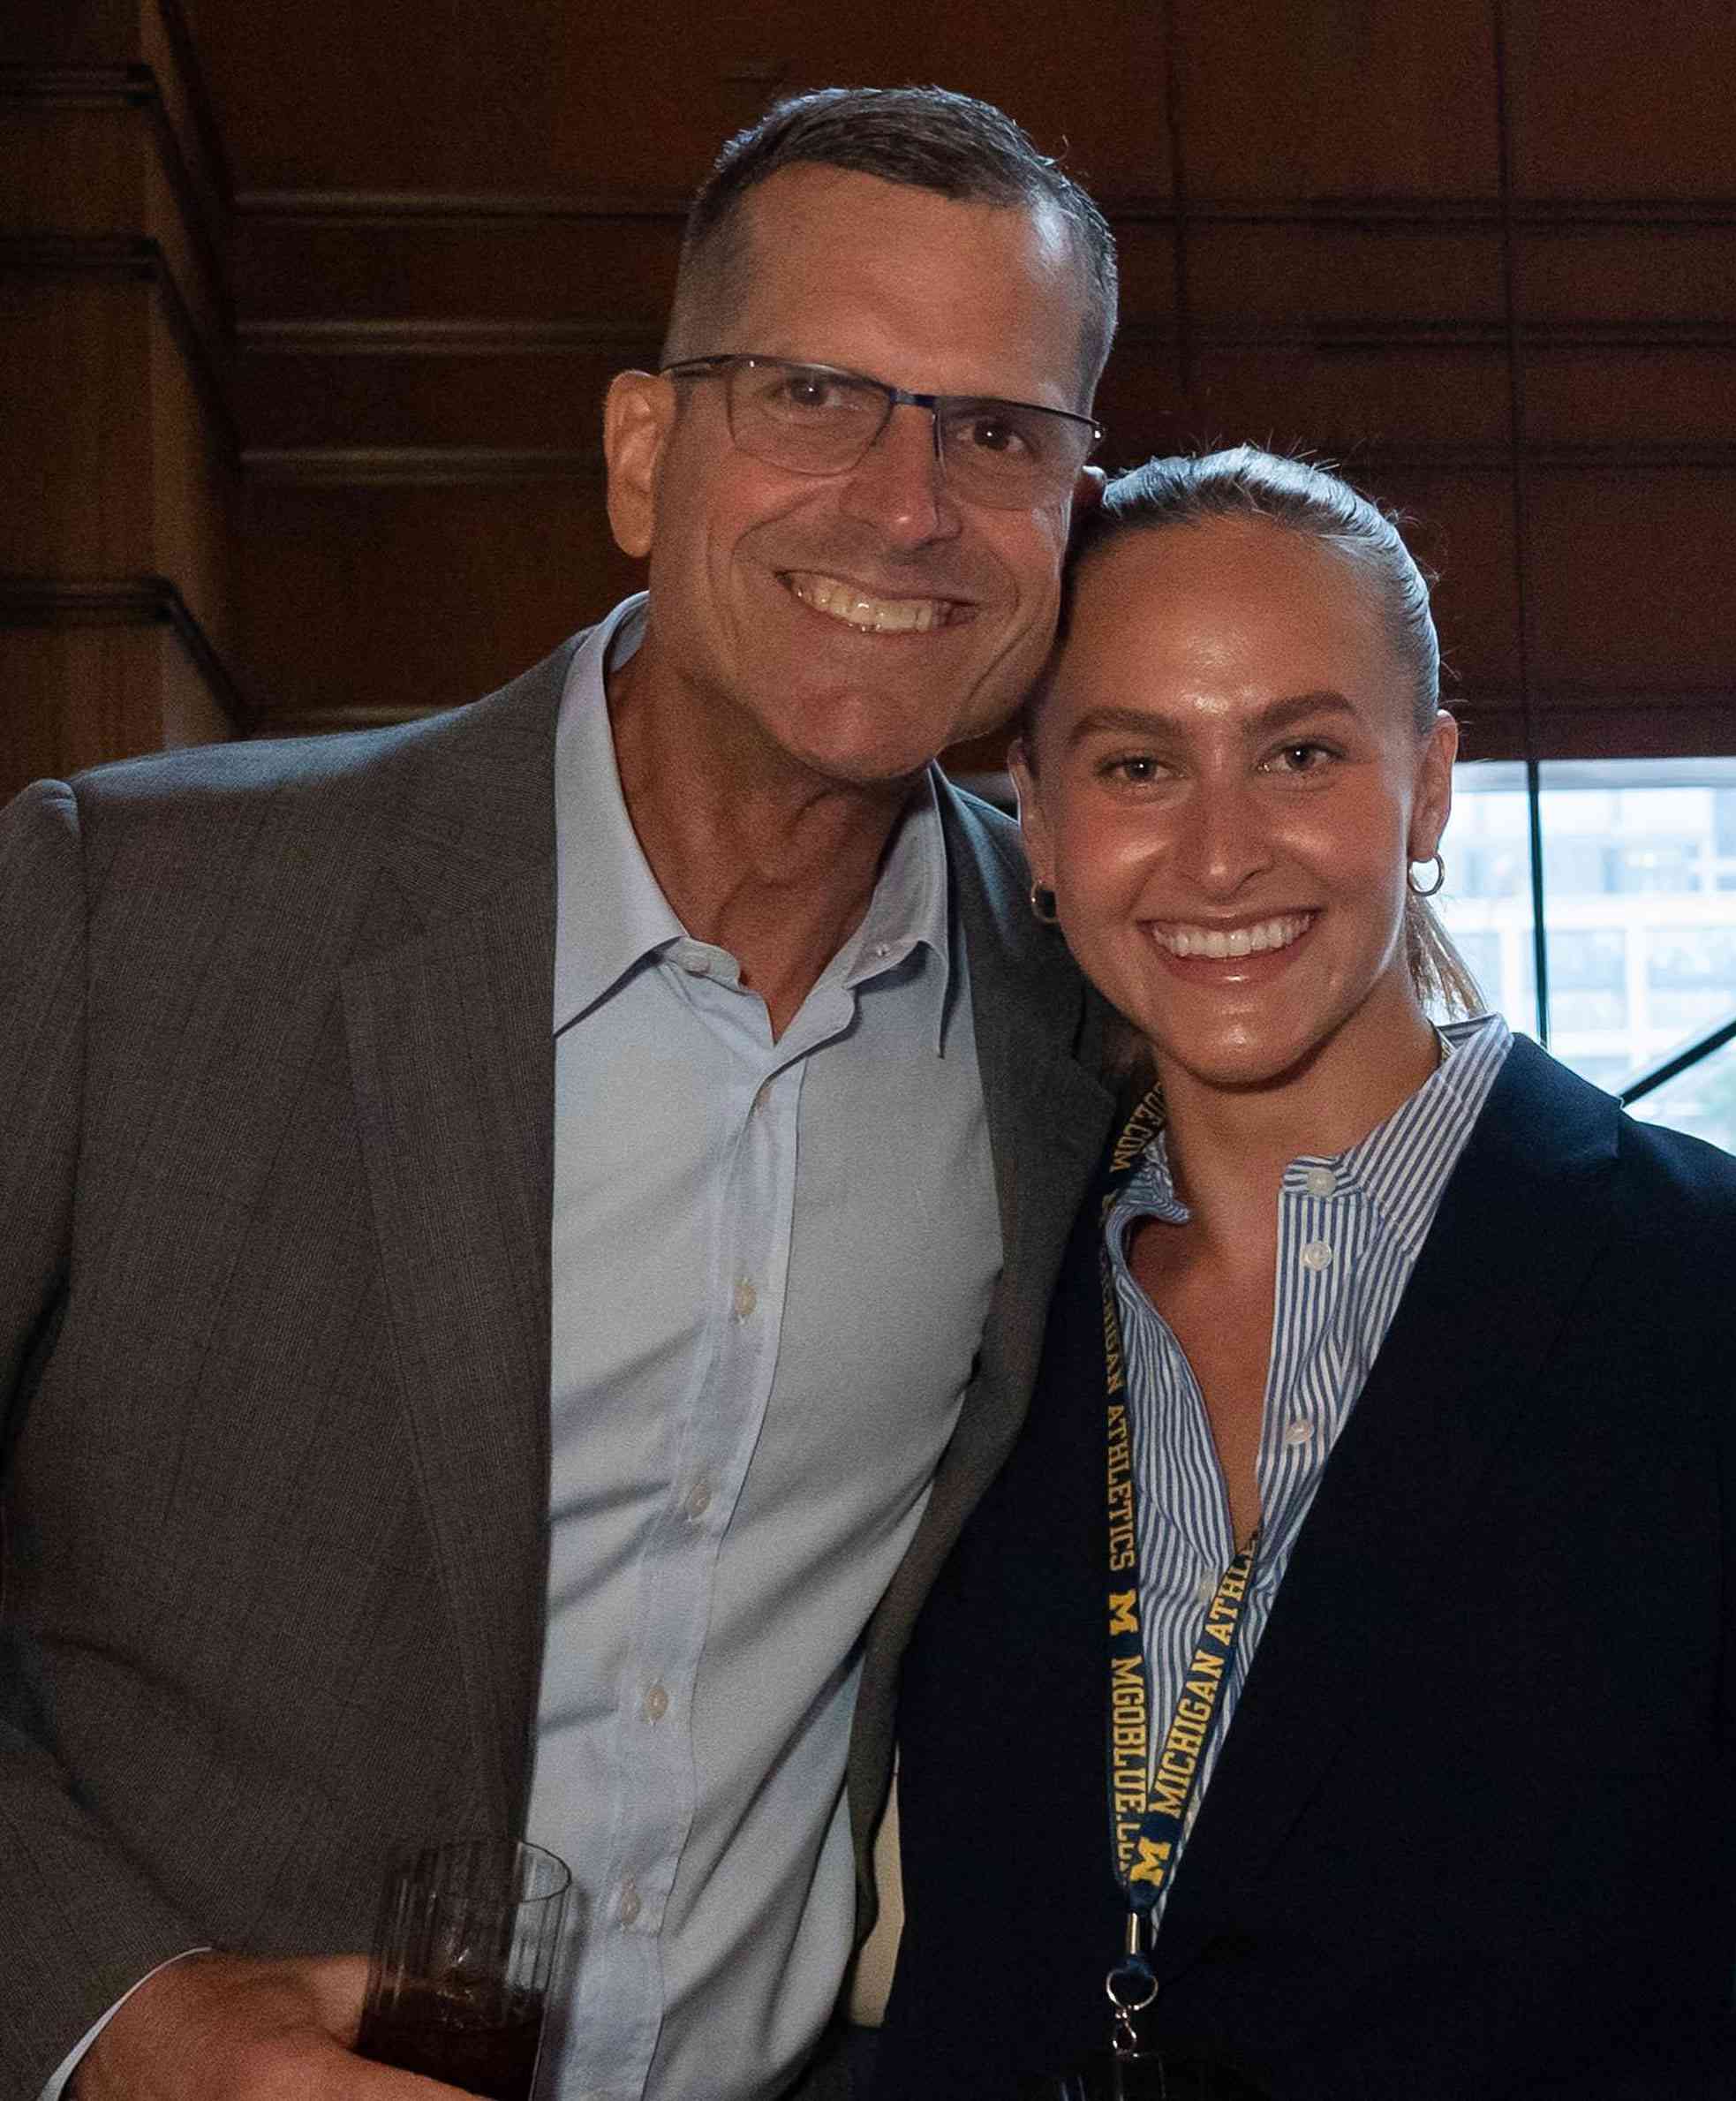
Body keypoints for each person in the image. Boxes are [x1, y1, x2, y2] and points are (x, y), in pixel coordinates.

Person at [0, 87, 1126, 2101]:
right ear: (640, 452)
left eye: (998, 431)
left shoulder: (1081, 1031)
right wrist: (133, 2016)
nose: (903, 503)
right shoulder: (127, 913)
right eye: (812, 392)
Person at [874, 448, 1736, 2101]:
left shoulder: (1716, 1290)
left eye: (1298, 752)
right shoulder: (967, 1299)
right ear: (1041, 821)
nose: (1221, 858)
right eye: (1138, 764)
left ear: (1427, 789)